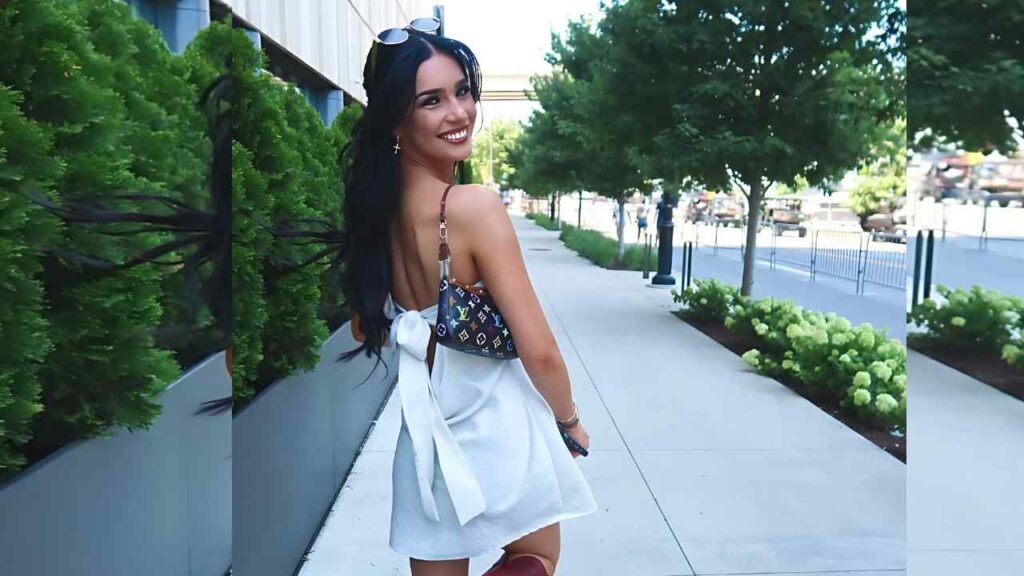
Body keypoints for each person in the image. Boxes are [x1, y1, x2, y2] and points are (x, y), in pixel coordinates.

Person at [340, 18, 596, 576]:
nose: (459, 113)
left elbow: (367, 326)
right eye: (432, 100)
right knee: (535, 557)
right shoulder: (472, 207)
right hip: (495, 425)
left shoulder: (373, 211)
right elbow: (540, 350)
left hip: (426, 434)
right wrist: (568, 419)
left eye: (463, 91)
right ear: (396, 120)